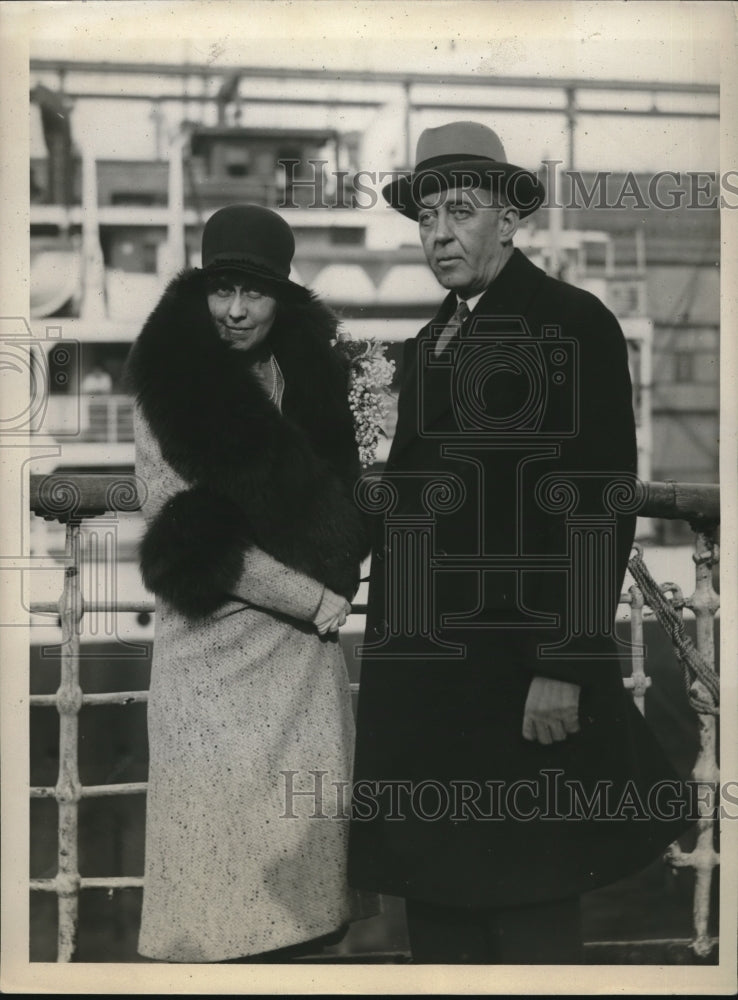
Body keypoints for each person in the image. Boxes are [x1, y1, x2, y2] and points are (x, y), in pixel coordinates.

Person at [347, 122, 692, 963]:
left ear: (509, 218)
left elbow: (597, 506)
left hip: (517, 685)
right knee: (440, 924)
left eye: (459, 212)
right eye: (425, 217)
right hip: (429, 694)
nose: (438, 234)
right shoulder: (434, 339)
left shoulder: (572, 324)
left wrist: (565, 664)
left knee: (530, 916)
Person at [125, 204, 374, 962]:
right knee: (212, 905)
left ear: (282, 298)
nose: (235, 310)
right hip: (211, 663)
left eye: (255, 293)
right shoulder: (166, 385)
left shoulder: (307, 378)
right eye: (221, 289)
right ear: (198, 291)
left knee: (300, 904)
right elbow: (187, 536)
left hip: (300, 671)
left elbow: (336, 493)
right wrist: (318, 600)